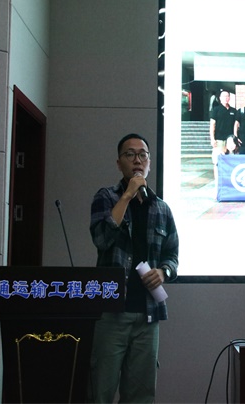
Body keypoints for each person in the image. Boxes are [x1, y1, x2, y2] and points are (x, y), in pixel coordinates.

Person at [88, 133, 179, 403]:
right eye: (130, 155)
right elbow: (101, 239)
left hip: (148, 315)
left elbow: (172, 256)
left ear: (149, 162)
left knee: (141, 395)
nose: (137, 160)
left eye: (143, 155)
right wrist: (127, 195)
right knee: (100, 391)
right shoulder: (106, 197)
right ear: (119, 163)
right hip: (111, 313)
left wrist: (163, 272)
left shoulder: (162, 208)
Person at [210, 90, 237, 180]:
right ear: (220, 98)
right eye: (224, 96)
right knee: (217, 161)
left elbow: (236, 125)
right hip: (219, 140)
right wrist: (212, 139)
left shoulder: (233, 110)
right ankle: (218, 181)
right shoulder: (216, 109)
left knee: (230, 160)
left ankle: (229, 179)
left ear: (229, 98)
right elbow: (212, 125)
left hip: (230, 141)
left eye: (227, 96)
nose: (226, 98)